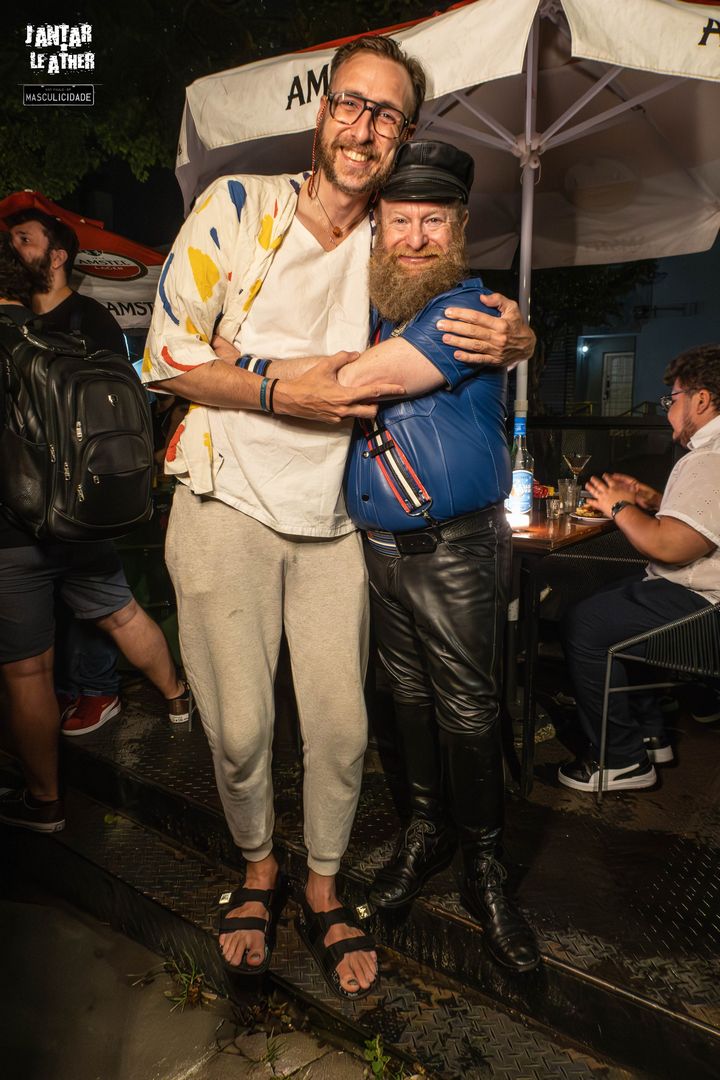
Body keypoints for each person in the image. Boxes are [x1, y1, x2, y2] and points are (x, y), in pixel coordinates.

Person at [144, 34, 535, 997]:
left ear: (404, 134)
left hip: (333, 522)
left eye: (387, 114)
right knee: (241, 733)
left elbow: (452, 315)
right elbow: (165, 356)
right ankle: (257, 869)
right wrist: (283, 390)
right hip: (225, 498)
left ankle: (320, 886)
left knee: (344, 733)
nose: (364, 128)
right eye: (352, 105)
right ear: (324, 112)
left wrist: (519, 330)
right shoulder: (241, 207)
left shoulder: (389, 246)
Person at [339, 140, 538, 973]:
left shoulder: (469, 312)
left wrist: (522, 334)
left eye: (433, 221)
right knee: (409, 701)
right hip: (381, 552)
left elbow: (355, 381)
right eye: (399, 221)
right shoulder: (371, 310)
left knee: (467, 712)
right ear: (377, 230)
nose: (415, 237)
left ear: (456, 231)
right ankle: (426, 833)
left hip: (454, 552)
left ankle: (486, 867)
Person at [0, 234, 191, 835]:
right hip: (80, 515)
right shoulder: (58, 336)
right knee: (123, 612)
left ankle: (45, 801)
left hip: (13, 530)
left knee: (27, 672)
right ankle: (178, 701)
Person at [558, 344, 720, 793]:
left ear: (701, 400)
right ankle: (650, 734)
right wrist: (652, 500)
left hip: (707, 607)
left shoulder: (710, 457)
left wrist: (618, 506)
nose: (668, 411)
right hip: (699, 592)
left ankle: (621, 759)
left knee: (587, 622)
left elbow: (670, 547)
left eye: (673, 398)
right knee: (612, 598)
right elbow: (702, 521)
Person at [5, 208, 127, 736]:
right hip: (29, 494)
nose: (13, 246)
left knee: (100, 601)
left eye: (24, 239)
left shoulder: (90, 319)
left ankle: (99, 688)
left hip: (82, 488)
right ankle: (54, 694)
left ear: (56, 256)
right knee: (53, 604)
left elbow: (116, 406)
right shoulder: (19, 323)